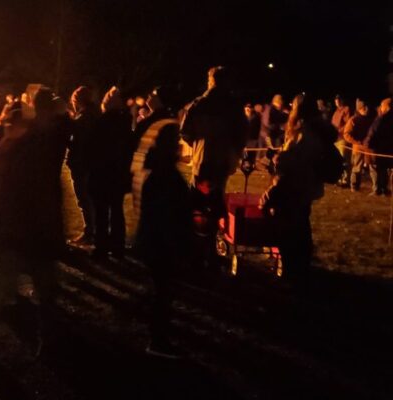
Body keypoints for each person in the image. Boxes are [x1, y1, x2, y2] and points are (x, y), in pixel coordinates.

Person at [0, 88, 70, 322]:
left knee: (29, 275)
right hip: (31, 218)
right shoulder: (36, 138)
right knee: (24, 275)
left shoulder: (37, 138)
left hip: (27, 218)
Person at [261, 97, 336, 282]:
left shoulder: (305, 134)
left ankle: (294, 272)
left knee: (292, 232)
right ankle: (299, 268)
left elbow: (294, 162)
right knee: (300, 227)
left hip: (294, 187)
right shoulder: (314, 132)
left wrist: (278, 159)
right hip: (305, 186)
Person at [135, 122, 192, 359]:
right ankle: (158, 340)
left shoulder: (156, 170)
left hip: (155, 241)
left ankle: (159, 335)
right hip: (162, 244)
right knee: (162, 292)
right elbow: (168, 213)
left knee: (161, 291)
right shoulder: (165, 175)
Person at [179, 66, 247, 238]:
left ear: (210, 81)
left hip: (202, 160)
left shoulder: (198, 104)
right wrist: (233, 150)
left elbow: (185, 132)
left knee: (198, 199)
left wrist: (198, 144)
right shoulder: (233, 106)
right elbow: (242, 134)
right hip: (222, 161)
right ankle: (214, 234)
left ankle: (197, 235)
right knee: (217, 196)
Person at [88, 87, 133, 258]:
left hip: (102, 172)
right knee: (116, 210)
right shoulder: (124, 123)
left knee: (101, 212)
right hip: (118, 173)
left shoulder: (102, 122)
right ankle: (117, 246)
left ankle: (101, 246)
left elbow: (93, 148)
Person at [68, 86, 100, 246]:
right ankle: (94, 231)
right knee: (91, 199)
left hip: (82, 163)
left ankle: (90, 232)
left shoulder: (84, 118)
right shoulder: (95, 115)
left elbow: (77, 142)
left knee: (84, 199)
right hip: (91, 162)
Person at [343, 99, 378, 193]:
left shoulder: (371, 119)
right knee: (357, 168)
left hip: (369, 148)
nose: (366, 109)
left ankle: (376, 188)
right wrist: (356, 142)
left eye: (366, 107)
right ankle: (354, 187)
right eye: (364, 108)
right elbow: (346, 134)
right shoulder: (353, 120)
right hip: (358, 148)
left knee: (373, 168)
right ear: (359, 109)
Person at [365, 98, 393, 196]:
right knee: (385, 169)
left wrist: (367, 145)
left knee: (378, 169)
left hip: (379, 148)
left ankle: (379, 189)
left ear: (386, 107)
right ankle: (384, 189)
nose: (380, 108)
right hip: (388, 149)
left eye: (382, 106)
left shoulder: (382, 119)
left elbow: (373, 132)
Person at [331, 96, 353, 187]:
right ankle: (339, 178)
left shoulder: (346, 110)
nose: (337, 102)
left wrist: (339, 130)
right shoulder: (336, 112)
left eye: (339, 100)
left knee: (344, 159)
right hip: (336, 139)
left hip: (343, 139)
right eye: (336, 100)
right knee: (338, 160)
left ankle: (345, 180)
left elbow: (348, 123)